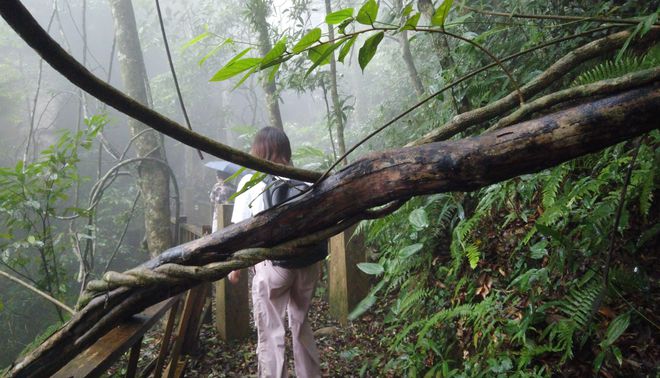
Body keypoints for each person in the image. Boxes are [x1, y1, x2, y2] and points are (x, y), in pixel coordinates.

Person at [228, 127, 322, 378]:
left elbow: (240, 230)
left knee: (271, 333)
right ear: (286, 150)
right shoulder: (307, 179)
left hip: (272, 267)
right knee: (302, 326)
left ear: (259, 152)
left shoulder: (251, 182)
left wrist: (235, 267)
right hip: (307, 264)